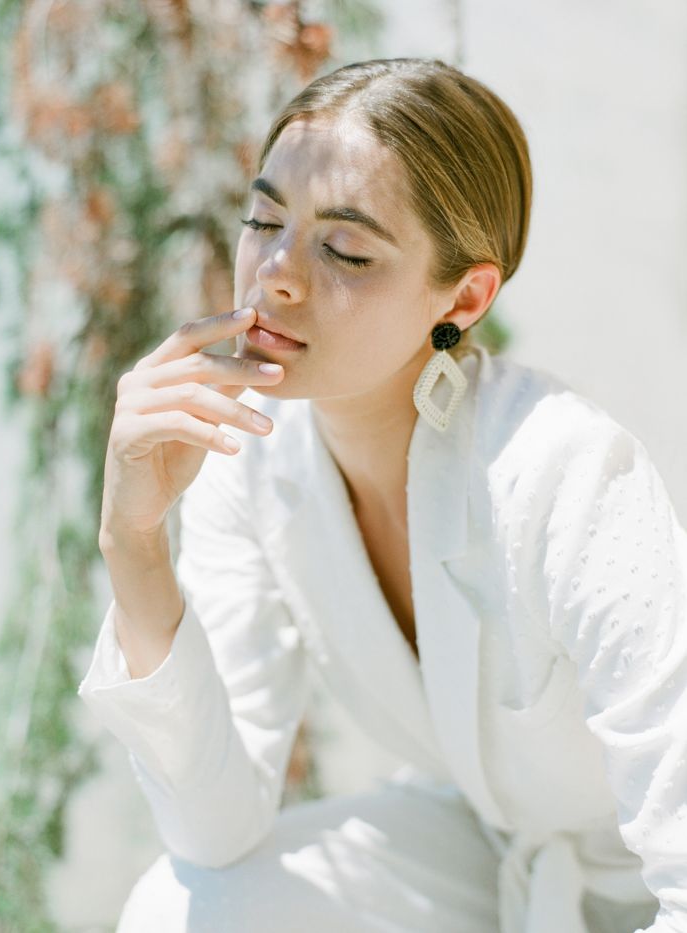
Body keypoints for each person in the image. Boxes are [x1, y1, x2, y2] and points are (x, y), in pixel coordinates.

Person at [77, 58, 687, 932]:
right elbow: (214, 830)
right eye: (264, 221)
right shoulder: (247, 455)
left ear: (465, 297)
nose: (276, 274)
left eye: (345, 250)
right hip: (484, 857)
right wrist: (133, 541)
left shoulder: (564, 471)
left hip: (646, 882)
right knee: (180, 908)